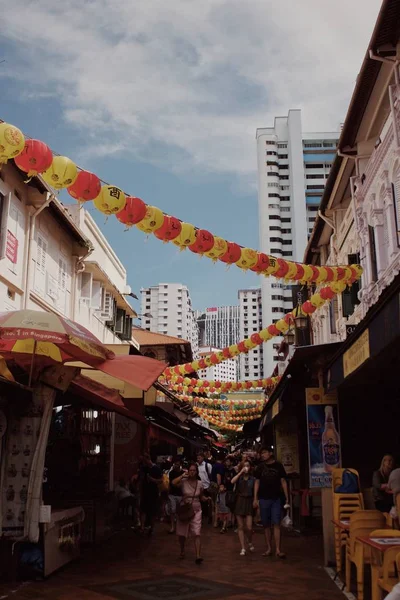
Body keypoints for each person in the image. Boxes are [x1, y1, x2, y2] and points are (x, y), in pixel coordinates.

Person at [254, 446, 289, 559]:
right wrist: (255, 498)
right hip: (263, 498)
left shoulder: (278, 465)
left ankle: (278, 549)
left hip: (276, 498)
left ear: (270, 453)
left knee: (276, 523)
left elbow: (283, 481)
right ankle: (269, 548)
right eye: (261, 453)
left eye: (264, 452)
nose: (262, 455)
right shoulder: (260, 467)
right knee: (266, 525)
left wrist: (287, 496)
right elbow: (257, 482)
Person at [172, 462, 208, 564]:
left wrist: (206, 499)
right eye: (190, 470)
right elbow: (173, 483)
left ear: (197, 472)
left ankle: (198, 555)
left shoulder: (200, 483)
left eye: (194, 470)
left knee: (196, 533)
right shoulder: (183, 481)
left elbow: (201, 497)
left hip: (196, 509)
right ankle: (182, 550)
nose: (192, 472)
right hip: (185, 509)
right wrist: (182, 475)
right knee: (182, 534)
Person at [231, 459, 255, 556]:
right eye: (244, 466)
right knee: (240, 526)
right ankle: (243, 547)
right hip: (240, 501)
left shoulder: (253, 479)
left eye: (248, 466)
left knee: (249, 527)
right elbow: (232, 481)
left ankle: (249, 541)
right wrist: (240, 472)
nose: (246, 467)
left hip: (249, 501)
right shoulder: (239, 478)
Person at [139, 454, 163, 535]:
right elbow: (141, 479)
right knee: (143, 511)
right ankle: (142, 527)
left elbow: (161, 480)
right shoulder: (143, 468)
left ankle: (151, 528)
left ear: (148, 459)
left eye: (145, 461)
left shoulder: (156, 468)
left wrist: (152, 480)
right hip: (145, 492)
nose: (144, 463)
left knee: (152, 512)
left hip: (153, 493)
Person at [168, 457, 184, 534]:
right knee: (172, 510)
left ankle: (177, 526)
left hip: (180, 494)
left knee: (178, 512)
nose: (176, 465)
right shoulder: (171, 473)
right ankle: (172, 526)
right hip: (172, 494)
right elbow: (173, 484)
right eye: (175, 464)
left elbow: (181, 485)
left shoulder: (183, 473)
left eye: (177, 464)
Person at [197, 453, 213, 522]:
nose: (198, 459)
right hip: (199, 487)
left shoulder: (208, 465)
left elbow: (210, 475)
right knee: (200, 503)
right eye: (197, 458)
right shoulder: (196, 465)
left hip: (207, 487)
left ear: (203, 458)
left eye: (199, 457)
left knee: (208, 502)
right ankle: (202, 517)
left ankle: (209, 517)